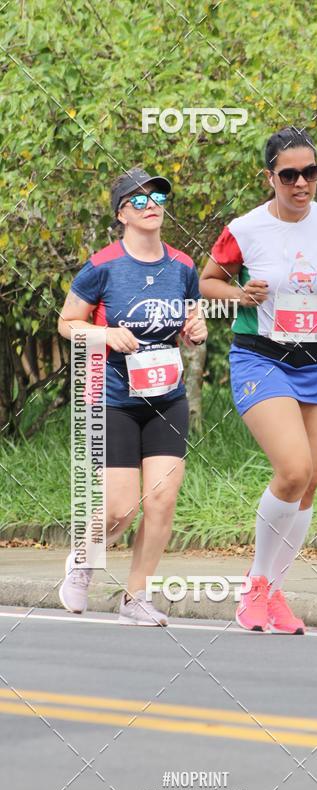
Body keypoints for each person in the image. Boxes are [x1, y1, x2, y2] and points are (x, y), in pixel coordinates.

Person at [199, 127, 317, 634]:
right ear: (269, 177)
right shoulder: (245, 229)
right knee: (293, 470)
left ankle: (274, 591)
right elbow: (207, 281)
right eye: (289, 175)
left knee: (311, 481)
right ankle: (254, 582)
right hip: (262, 358)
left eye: (310, 173)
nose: (301, 184)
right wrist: (239, 296)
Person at [57, 167, 207, 626]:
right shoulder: (102, 266)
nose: (151, 206)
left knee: (162, 500)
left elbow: (190, 320)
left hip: (166, 396)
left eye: (157, 197)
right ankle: (83, 560)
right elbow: (66, 323)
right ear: (121, 213)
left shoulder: (182, 266)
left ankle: (136, 597)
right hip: (113, 398)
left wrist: (196, 330)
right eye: (138, 200)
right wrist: (104, 334)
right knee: (120, 509)